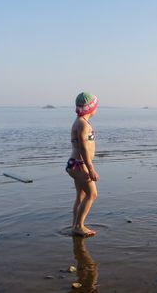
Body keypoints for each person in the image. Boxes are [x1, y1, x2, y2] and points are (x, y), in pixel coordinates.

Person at [66, 92, 100, 237]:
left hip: (76, 164)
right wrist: (91, 168)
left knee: (81, 196)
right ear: (91, 108)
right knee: (92, 194)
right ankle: (78, 226)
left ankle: (76, 224)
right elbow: (83, 147)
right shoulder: (82, 124)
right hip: (80, 165)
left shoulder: (81, 122)